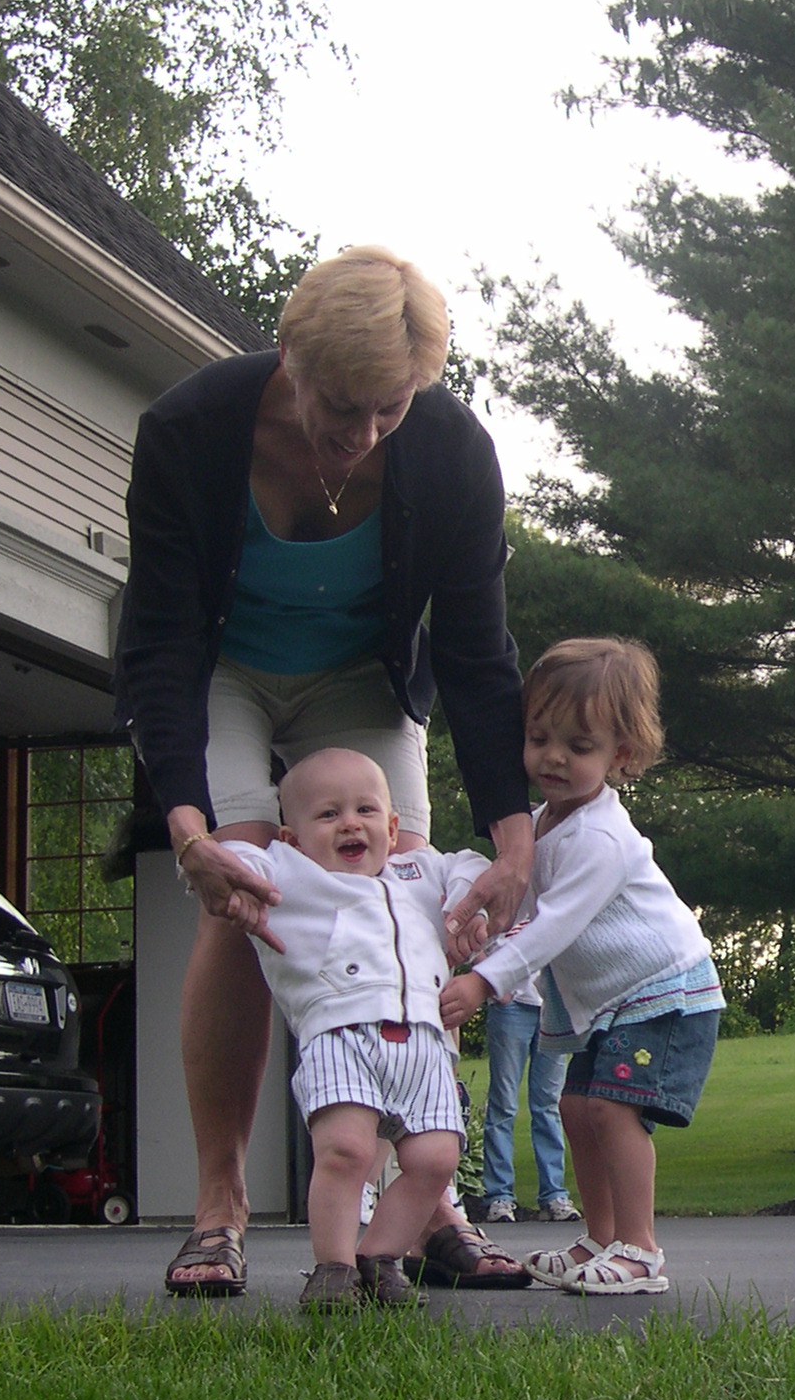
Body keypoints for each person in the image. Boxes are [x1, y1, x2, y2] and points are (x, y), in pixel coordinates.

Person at [113, 245, 536, 1297]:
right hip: (224, 671)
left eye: (385, 410)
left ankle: (427, 1206)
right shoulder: (188, 430)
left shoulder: (448, 451)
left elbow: (480, 654)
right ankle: (220, 1210)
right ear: (289, 352)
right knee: (246, 889)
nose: (358, 436)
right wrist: (187, 829)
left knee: (396, 891)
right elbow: (159, 642)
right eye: (339, 405)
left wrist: (514, 837)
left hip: (361, 680)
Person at [443, 638, 724, 1294]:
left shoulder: (601, 836)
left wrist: (485, 981)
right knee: (575, 1107)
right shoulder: (543, 823)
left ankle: (641, 1251)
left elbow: (556, 924)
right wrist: (482, 932)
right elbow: (526, 908)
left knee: (612, 1111)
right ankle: (601, 1239)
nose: (553, 758)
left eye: (579, 745)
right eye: (539, 738)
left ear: (621, 757)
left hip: (666, 993)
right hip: (617, 1001)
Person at [217, 748, 489, 1309]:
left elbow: (470, 863)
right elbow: (236, 857)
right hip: (340, 1036)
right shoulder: (290, 874)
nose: (349, 823)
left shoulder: (419, 872)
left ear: (392, 827)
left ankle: (380, 1257)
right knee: (344, 1150)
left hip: (424, 1043)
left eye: (366, 810)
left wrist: (469, 902)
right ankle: (334, 1267)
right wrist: (223, 872)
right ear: (293, 839)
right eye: (327, 814)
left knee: (436, 1158)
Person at [477, 980, 581, 1224]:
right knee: (503, 1104)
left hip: (554, 1008)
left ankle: (554, 1194)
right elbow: (474, 948)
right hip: (512, 1006)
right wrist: (498, 989)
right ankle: (499, 1196)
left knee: (548, 1105)